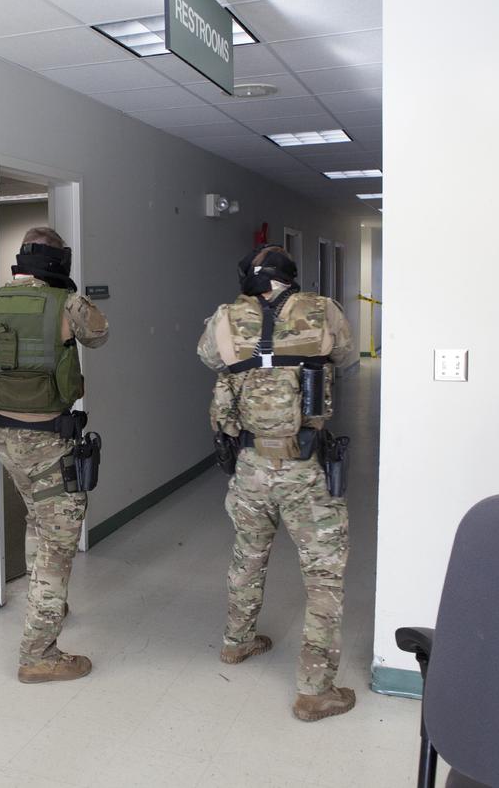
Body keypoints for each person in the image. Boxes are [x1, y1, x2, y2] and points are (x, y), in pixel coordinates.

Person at [197, 244, 359, 722]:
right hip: (306, 467)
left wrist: (254, 353)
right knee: (324, 573)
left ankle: (236, 642)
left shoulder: (225, 316)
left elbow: (210, 359)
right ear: (292, 276)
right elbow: (345, 356)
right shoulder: (324, 310)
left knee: (248, 554)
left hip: (250, 464)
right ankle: (314, 689)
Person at [0, 228, 109, 684]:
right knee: (59, 542)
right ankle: (38, 651)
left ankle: (46, 605)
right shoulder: (67, 304)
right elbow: (100, 336)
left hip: (3, 436)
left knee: (36, 519)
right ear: (59, 259)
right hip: (48, 438)